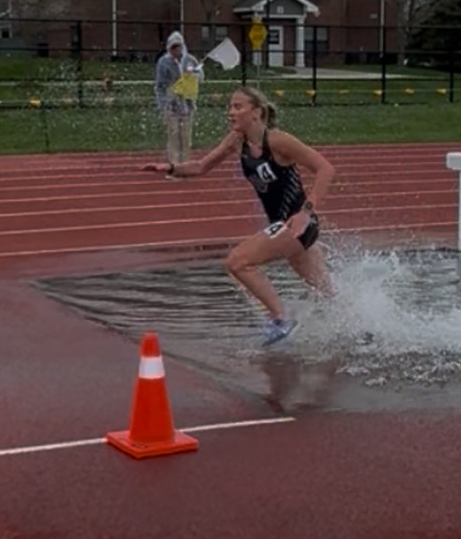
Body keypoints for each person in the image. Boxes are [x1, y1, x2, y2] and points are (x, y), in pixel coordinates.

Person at [140, 86, 335, 346]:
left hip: (297, 226)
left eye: (238, 107)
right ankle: (365, 327)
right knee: (329, 296)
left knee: (237, 262)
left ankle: (280, 319)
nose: (230, 112)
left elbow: (325, 168)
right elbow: (201, 167)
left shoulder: (277, 141)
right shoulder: (237, 142)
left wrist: (306, 213)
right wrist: (171, 168)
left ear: (256, 113)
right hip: (282, 228)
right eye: (230, 106)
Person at [154, 31, 198, 173]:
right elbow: (160, 85)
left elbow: (199, 78)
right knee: (173, 136)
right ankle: (174, 165)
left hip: (187, 104)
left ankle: (185, 165)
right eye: (173, 47)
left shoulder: (190, 60)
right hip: (171, 104)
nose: (176, 50)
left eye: (178, 47)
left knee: (185, 137)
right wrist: (163, 105)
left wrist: (194, 73)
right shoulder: (163, 62)